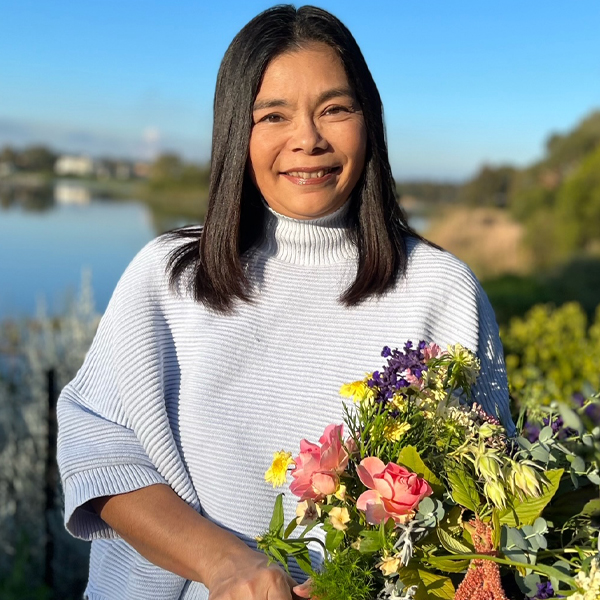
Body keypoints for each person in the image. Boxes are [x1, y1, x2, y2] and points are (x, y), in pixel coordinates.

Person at [57, 5, 515, 600]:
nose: (308, 139)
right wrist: (223, 563)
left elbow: (487, 505)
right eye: (273, 115)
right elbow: (99, 448)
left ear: (369, 121)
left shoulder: (442, 289)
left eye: (335, 109)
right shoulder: (169, 278)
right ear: (234, 133)